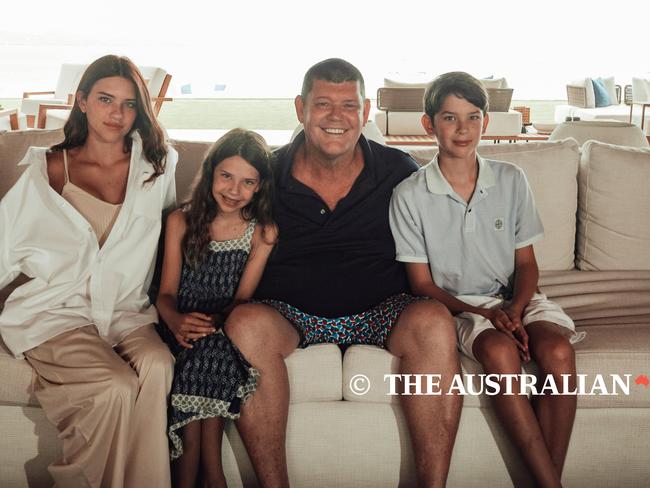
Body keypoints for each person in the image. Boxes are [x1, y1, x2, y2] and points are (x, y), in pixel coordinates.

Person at [224, 58, 462, 488]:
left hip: (382, 310)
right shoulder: (266, 175)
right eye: (323, 104)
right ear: (300, 108)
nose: (336, 117)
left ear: (365, 112)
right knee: (244, 323)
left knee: (432, 320)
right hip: (289, 313)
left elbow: (450, 232)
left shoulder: (399, 170)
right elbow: (216, 232)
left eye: (349, 105)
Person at [390, 71, 584, 487]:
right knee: (499, 352)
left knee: (559, 353)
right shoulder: (409, 195)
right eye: (449, 118)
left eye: (473, 117)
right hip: (461, 307)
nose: (463, 129)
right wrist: (485, 313)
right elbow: (422, 285)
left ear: (486, 122)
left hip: (516, 299)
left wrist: (514, 309)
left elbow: (527, 265)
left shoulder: (512, 180)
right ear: (429, 124)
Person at [0, 55, 178, 488]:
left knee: (158, 364)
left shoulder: (158, 167)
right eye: (104, 99)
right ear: (81, 102)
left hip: (125, 312)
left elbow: (175, 233)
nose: (117, 114)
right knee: (113, 385)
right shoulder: (45, 172)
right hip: (54, 314)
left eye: (129, 103)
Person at [156, 129, 277, 488]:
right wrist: (177, 322)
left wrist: (214, 327)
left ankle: (195, 474)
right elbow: (165, 295)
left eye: (247, 182)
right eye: (226, 176)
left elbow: (242, 302)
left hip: (225, 331)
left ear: (260, 187)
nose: (234, 190)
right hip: (178, 329)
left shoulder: (261, 232)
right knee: (200, 355)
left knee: (210, 353)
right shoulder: (181, 221)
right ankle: (213, 474)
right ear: (210, 173)